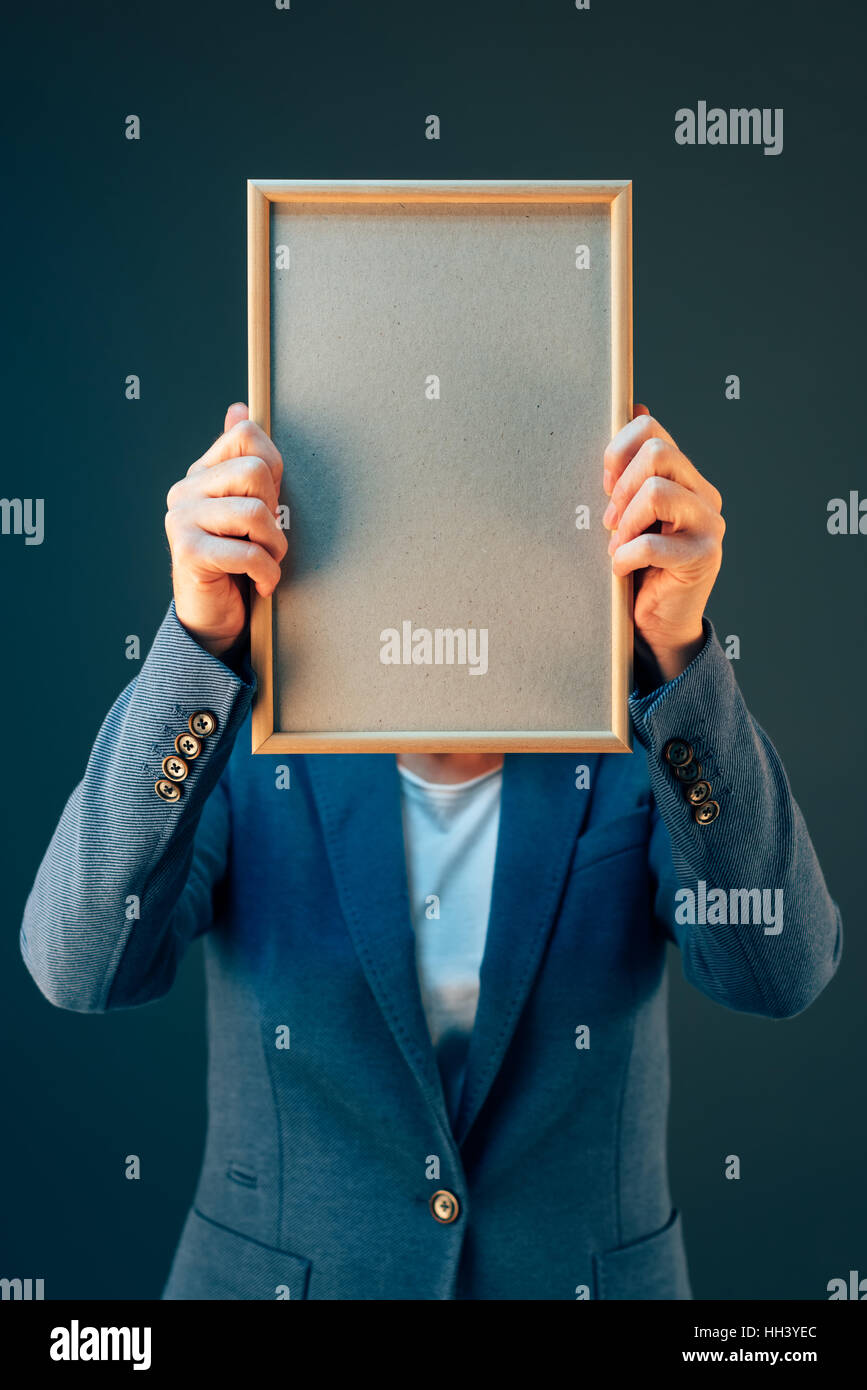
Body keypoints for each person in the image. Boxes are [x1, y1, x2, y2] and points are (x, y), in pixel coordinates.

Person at [20, 402, 842, 1300]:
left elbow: (779, 970)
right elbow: (78, 961)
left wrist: (677, 656)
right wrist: (196, 645)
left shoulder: (638, 724)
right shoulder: (242, 725)